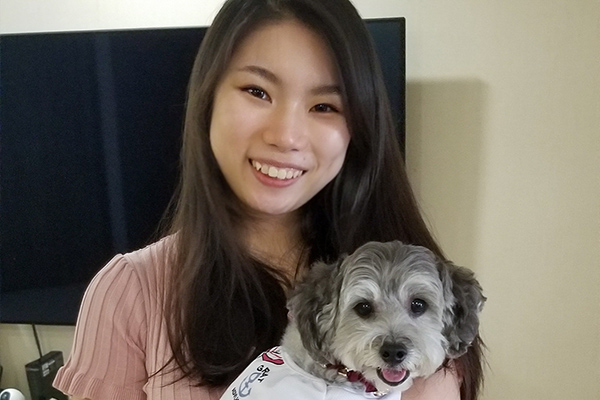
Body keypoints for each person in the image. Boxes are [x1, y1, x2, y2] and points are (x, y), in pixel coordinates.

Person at [53, 0, 484, 399]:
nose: (286, 136)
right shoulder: (129, 293)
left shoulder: (425, 307)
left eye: (325, 106)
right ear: (207, 99)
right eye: (257, 92)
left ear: (359, 126)